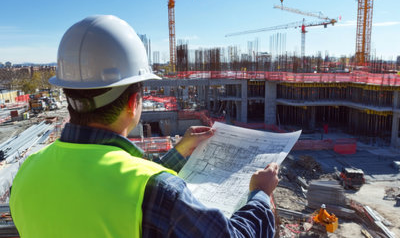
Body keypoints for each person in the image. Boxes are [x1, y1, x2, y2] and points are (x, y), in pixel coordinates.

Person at [10, 15, 279, 238]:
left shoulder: (27, 170)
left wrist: (179, 151)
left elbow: (118, 186)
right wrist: (260, 195)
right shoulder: (157, 191)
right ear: (133, 102)